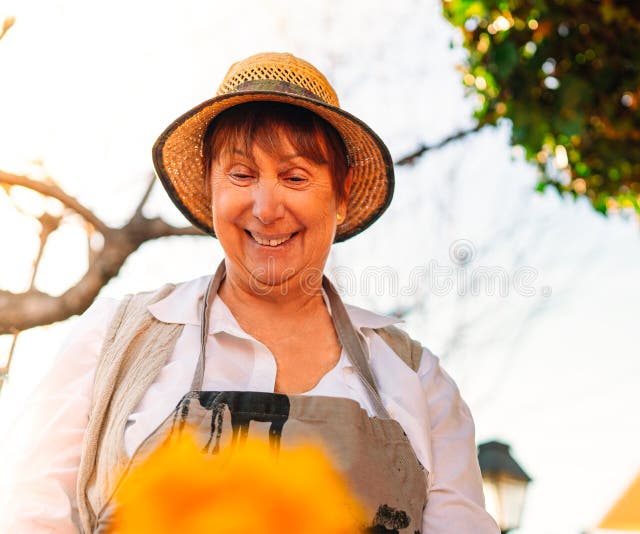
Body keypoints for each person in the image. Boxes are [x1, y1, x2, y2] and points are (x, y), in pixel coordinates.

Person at [1, 52, 499, 533]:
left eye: (295, 176)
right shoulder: (112, 340)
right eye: (241, 175)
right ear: (212, 188)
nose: (265, 207)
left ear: (341, 195)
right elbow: (33, 517)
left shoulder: (418, 381)